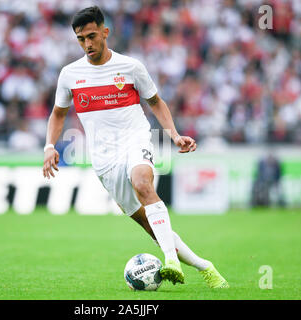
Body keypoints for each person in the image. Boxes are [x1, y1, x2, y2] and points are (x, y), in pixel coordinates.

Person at [42, 6, 228, 288]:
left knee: (143, 182)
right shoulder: (70, 74)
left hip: (135, 139)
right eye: (81, 39)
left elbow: (156, 102)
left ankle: (170, 260)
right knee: (152, 227)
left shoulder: (131, 67)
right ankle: (205, 266)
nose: (87, 44)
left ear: (105, 32)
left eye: (91, 36)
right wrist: (49, 146)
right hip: (104, 160)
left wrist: (175, 135)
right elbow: (58, 113)